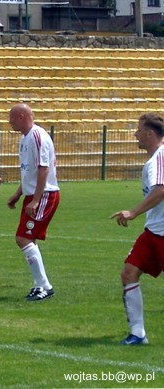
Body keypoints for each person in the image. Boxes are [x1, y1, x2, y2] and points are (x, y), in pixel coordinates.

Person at [110, 112, 164, 345]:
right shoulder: (156, 158)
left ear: (150, 134)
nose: (135, 134)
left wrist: (133, 212)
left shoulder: (160, 157)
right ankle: (138, 333)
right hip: (154, 231)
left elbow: (161, 189)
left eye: (139, 130)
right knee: (129, 272)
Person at [7, 103, 60, 301]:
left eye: (11, 118)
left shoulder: (37, 136)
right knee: (28, 239)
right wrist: (19, 193)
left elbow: (43, 169)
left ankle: (45, 286)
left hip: (44, 195)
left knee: (23, 238)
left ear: (21, 116)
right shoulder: (25, 138)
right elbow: (29, 171)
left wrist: (36, 200)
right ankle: (40, 285)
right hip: (34, 195)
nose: (9, 122)